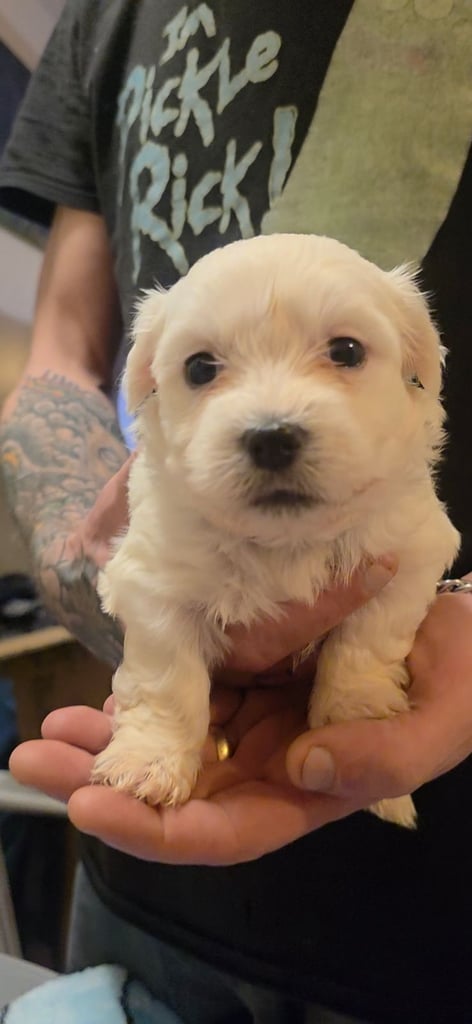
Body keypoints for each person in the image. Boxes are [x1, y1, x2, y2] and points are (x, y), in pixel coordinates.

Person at [1, 1, 472, 1021]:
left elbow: (426, 548)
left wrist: (365, 666)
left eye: (342, 353)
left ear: (417, 367)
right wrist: (160, 691)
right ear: (158, 393)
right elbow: (62, 351)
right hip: (144, 885)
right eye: (205, 369)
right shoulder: (102, 18)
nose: (269, 415)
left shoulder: (406, 509)